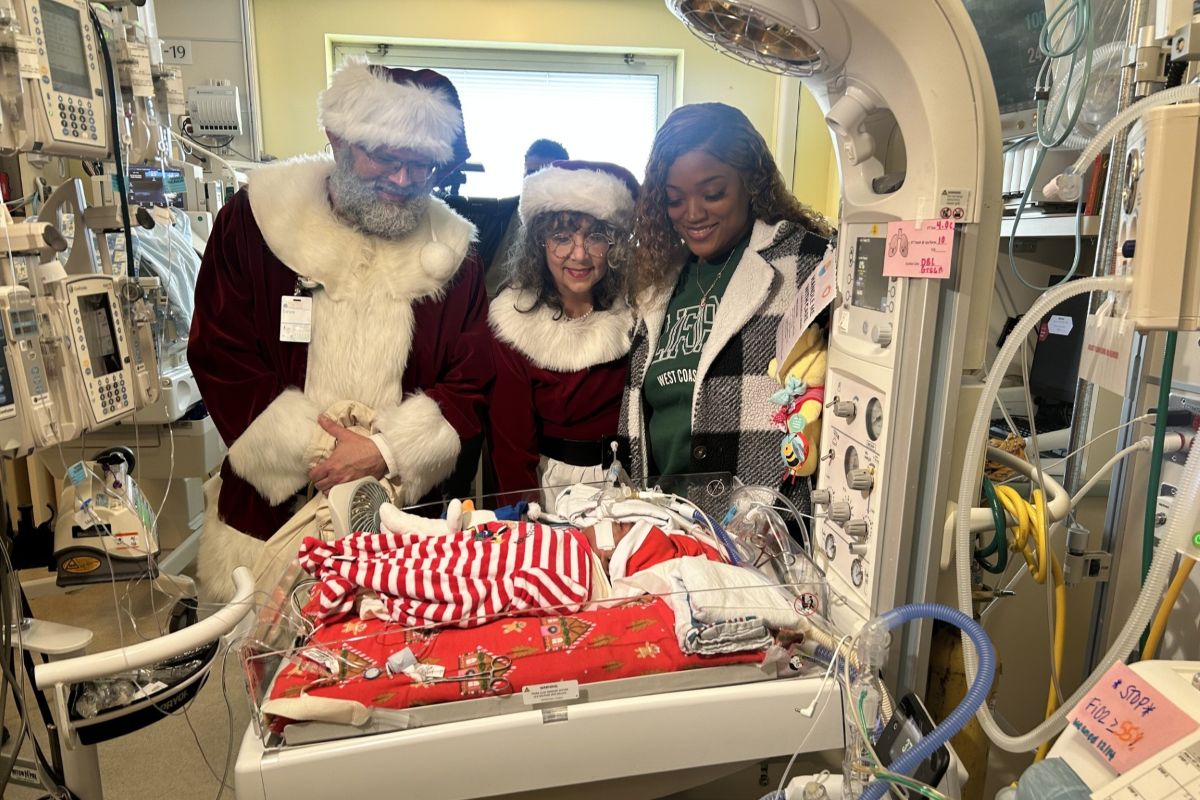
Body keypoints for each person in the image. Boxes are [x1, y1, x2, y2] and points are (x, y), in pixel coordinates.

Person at [188, 60, 492, 600]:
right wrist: (317, 448)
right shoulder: (255, 222)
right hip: (268, 518)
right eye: (386, 158)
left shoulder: (455, 253)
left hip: (403, 527)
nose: (402, 181)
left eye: (421, 167)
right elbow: (220, 354)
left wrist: (387, 450)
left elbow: (469, 381)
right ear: (337, 138)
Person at [617, 103, 834, 514]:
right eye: (675, 199)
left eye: (713, 193)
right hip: (664, 518)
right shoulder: (658, 281)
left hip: (756, 528)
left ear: (751, 183)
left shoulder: (804, 263)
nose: (693, 214)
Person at [488, 161, 637, 508]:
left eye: (596, 237)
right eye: (562, 237)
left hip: (629, 484)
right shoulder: (513, 324)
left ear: (614, 245)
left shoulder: (639, 313)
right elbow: (511, 449)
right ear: (539, 243)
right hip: (552, 491)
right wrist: (524, 520)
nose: (580, 254)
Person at [484, 139, 571, 297]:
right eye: (532, 174)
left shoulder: (579, 226)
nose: (538, 182)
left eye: (547, 175)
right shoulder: (497, 214)